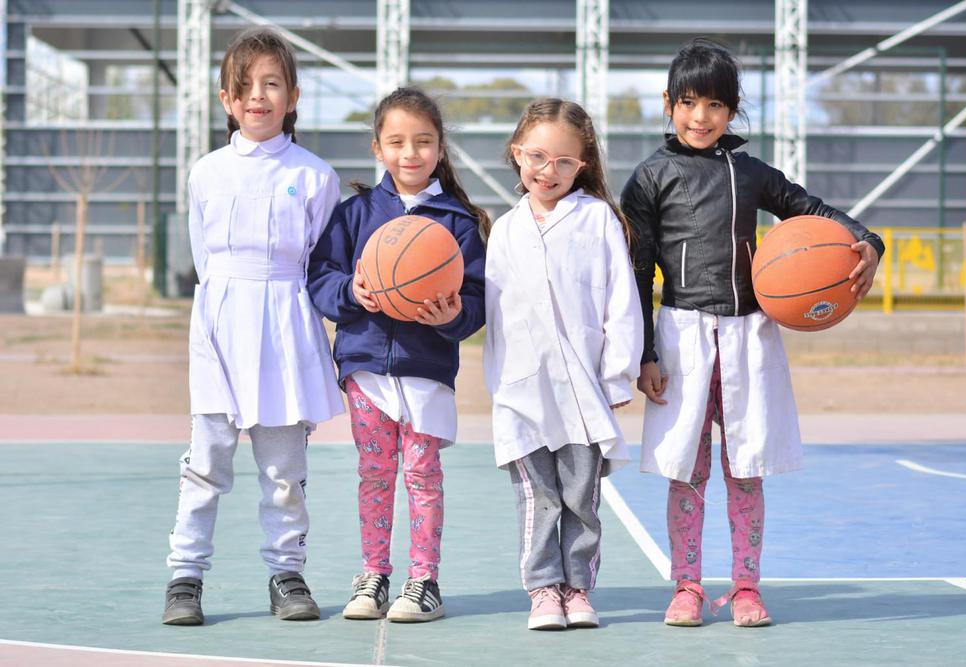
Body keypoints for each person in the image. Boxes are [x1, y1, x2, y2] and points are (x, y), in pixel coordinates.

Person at [620, 38, 884, 627]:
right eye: (689, 102)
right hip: (682, 334)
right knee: (687, 471)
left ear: (733, 111)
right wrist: (644, 352)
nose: (701, 116)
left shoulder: (751, 173)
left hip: (749, 336)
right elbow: (636, 274)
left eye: (716, 105)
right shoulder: (649, 178)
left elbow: (814, 211)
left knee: (747, 468)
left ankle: (745, 587)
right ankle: (687, 587)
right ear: (668, 103)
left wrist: (869, 240)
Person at [162, 27, 344, 626]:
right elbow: (204, 259)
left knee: (284, 469)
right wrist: (220, 310)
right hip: (219, 325)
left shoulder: (316, 176)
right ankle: (185, 577)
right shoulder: (206, 172)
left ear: (293, 95)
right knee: (206, 461)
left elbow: (319, 259)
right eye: (245, 86)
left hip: (287, 325)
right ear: (225, 98)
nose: (257, 96)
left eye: (271, 84)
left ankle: (286, 573)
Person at [307, 87, 487, 624]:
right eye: (398, 142)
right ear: (377, 148)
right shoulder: (355, 213)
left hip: (426, 368)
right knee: (374, 472)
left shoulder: (457, 221)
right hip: (365, 366)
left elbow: (477, 300)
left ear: (439, 147)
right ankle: (374, 574)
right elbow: (321, 276)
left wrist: (451, 318)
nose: (411, 152)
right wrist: (351, 295)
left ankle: (424, 579)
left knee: (422, 473)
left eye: (424, 141)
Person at [483, 98, 643, 630]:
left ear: (584, 166)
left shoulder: (598, 220)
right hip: (523, 393)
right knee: (537, 498)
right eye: (537, 156)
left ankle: (578, 589)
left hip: (585, 391)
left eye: (564, 161)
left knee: (581, 499)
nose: (547, 171)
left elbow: (622, 300)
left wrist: (619, 371)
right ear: (516, 154)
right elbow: (498, 318)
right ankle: (543, 589)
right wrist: (500, 388)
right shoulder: (505, 230)